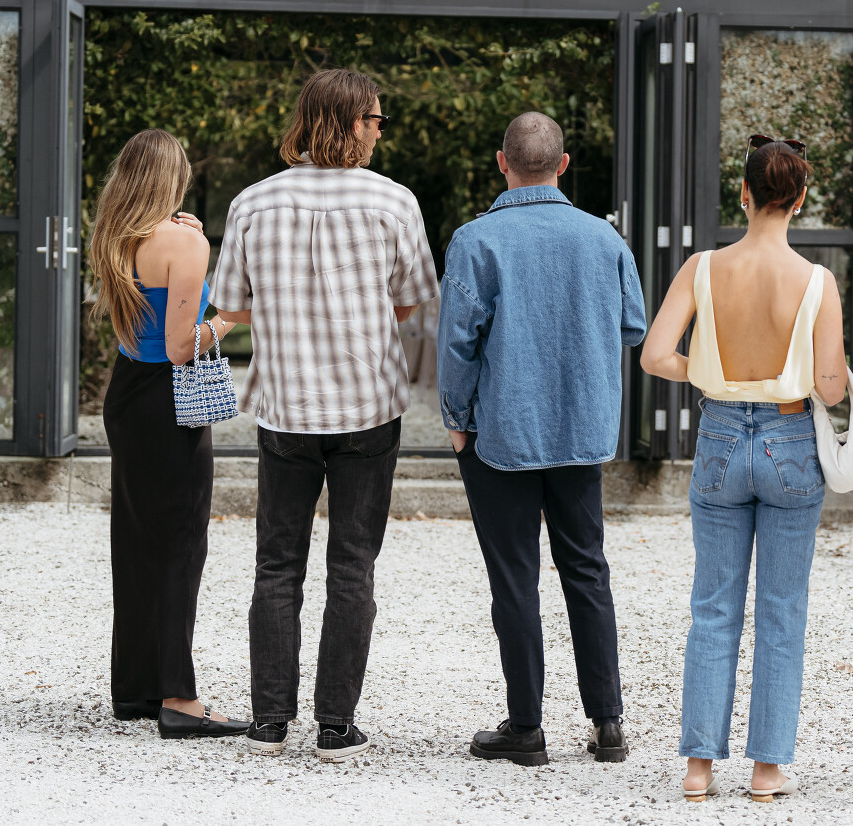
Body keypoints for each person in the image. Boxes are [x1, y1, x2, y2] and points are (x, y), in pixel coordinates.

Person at [210, 68, 439, 762]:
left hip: (286, 406)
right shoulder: (393, 200)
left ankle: (269, 721)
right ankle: (336, 725)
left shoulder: (252, 202)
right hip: (368, 405)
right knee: (353, 565)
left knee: (277, 565)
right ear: (349, 123)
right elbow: (411, 299)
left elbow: (233, 304)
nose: (380, 132)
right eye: (376, 120)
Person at [437, 112, 647, 767]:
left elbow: (457, 345)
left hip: (500, 431)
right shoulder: (603, 238)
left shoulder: (475, 240)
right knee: (587, 570)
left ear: (503, 162)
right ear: (563, 164)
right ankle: (607, 723)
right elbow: (633, 324)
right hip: (581, 430)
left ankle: (526, 727)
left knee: (514, 578)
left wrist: (456, 418)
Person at [641, 136, 847, 804]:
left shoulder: (701, 267)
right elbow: (831, 386)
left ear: (744, 192)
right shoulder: (817, 281)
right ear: (801, 199)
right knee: (782, 613)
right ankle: (766, 770)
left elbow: (655, 355)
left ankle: (698, 767)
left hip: (721, 436)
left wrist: (707, 370)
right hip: (789, 438)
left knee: (712, 608)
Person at [90, 128, 248, 740]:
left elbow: (149, 328)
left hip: (129, 391)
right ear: (172, 178)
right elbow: (183, 346)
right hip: (169, 398)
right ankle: (179, 699)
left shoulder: (116, 236)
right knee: (180, 543)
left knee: (135, 542)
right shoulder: (185, 241)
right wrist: (228, 320)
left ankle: (136, 689)